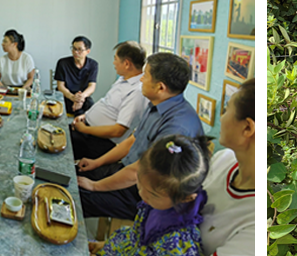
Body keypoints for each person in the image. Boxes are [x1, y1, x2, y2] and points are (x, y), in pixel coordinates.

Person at [88, 79, 257, 256]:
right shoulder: (223, 160)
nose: (222, 117)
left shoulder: (255, 225)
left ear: (247, 128)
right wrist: (107, 246)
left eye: (227, 109)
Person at [76, 52, 203, 220]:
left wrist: (94, 186)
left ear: (160, 87)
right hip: (125, 169)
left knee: (75, 199)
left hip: (144, 193)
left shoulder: (176, 126)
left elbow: (140, 172)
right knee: (72, 174)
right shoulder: (156, 104)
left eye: (146, 75)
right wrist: (96, 163)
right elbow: (133, 140)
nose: (141, 79)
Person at [88, 135, 211, 256]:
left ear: (185, 198)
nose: (142, 195)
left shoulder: (178, 241)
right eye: (139, 183)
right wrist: (103, 245)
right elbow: (136, 234)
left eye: (153, 194)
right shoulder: (155, 204)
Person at [71, 41, 149, 160]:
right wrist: (85, 116)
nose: (114, 63)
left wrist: (85, 129)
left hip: (97, 141)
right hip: (87, 129)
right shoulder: (123, 79)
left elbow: (118, 131)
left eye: (116, 59)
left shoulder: (136, 92)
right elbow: (105, 102)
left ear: (127, 64)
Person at [55, 35, 98, 115]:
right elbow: (60, 86)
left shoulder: (93, 65)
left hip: (83, 96)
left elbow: (92, 86)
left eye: (80, 50)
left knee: (91, 111)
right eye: (74, 48)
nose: (75, 52)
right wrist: (72, 97)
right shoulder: (63, 63)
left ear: (88, 51)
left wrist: (81, 98)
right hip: (66, 95)